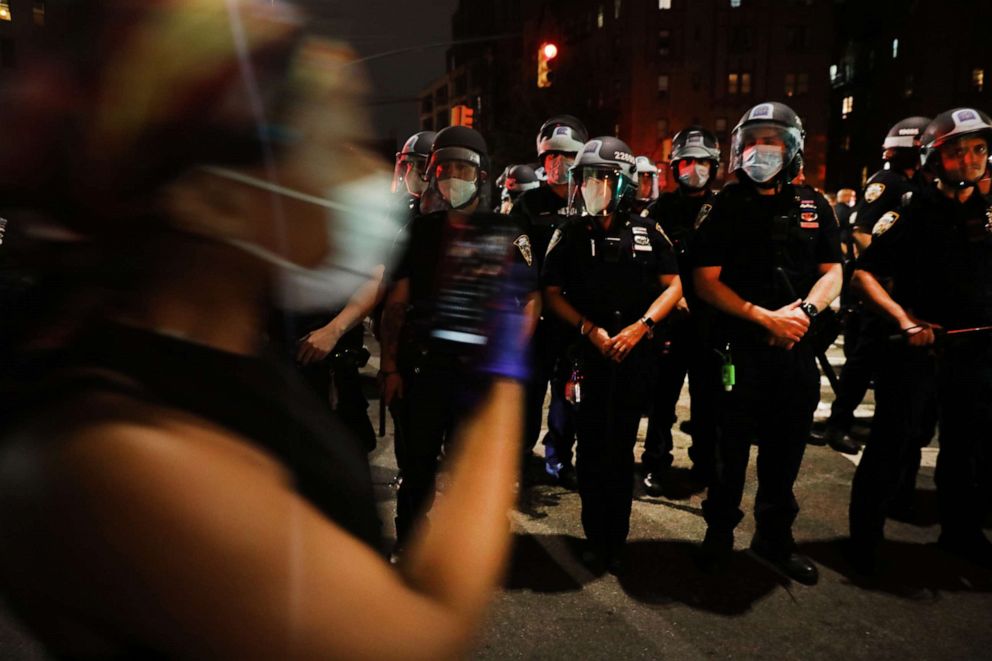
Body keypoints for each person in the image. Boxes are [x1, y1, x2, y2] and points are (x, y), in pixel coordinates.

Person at [0, 2, 525, 657]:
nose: (360, 174)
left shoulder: (222, 342)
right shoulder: (125, 455)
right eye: (328, 140)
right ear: (212, 197)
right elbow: (423, 634)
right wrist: (503, 381)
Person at [692, 102, 843, 585]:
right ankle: (719, 535)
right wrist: (762, 317)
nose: (761, 150)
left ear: (792, 149)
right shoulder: (722, 205)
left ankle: (774, 539)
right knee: (727, 452)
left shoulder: (813, 205)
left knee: (785, 451)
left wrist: (805, 313)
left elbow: (834, 271)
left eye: (772, 141)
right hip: (741, 348)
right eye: (754, 141)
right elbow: (705, 280)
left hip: (795, 349)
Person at [380, 125, 539, 549]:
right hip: (424, 368)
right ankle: (411, 539)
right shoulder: (417, 232)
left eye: (462, 168)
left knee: (473, 466)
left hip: (478, 373)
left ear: (480, 176)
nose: (453, 176)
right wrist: (390, 366)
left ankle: (466, 546)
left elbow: (527, 301)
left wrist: (506, 365)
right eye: (445, 167)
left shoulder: (506, 232)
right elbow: (396, 304)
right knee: (417, 465)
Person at [850, 107, 992, 572]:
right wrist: (904, 320)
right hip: (919, 350)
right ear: (935, 159)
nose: (970, 160)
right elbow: (864, 276)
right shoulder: (912, 210)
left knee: (966, 448)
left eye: (978, 149)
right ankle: (864, 542)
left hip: (975, 353)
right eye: (957, 152)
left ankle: (961, 533)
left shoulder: (989, 212)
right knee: (893, 444)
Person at [543, 136, 682, 571]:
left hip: (634, 356)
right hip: (588, 356)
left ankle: (616, 539)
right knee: (590, 449)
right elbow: (551, 293)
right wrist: (590, 330)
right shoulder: (568, 232)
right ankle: (593, 535)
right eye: (585, 178)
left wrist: (641, 329)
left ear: (622, 182)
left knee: (621, 449)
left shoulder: (646, 229)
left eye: (601, 177)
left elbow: (673, 286)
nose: (592, 186)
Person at [811, 116, 933, 456]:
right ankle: (839, 423)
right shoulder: (887, 182)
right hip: (879, 289)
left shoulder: (921, 185)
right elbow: (863, 232)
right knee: (862, 362)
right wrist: (884, 271)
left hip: (907, 292)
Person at [642, 126, 721, 494]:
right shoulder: (661, 209)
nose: (694, 168)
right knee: (662, 399)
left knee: (710, 400)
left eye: (702, 162)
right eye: (686, 161)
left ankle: (705, 463)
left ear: (714, 165)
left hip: (712, 322)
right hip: (672, 320)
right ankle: (656, 463)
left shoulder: (724, 208)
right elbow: (649, 266)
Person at [511, 114, 589, 487]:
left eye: (567, 156)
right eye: (550, 157)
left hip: (573, 318)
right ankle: (519, 455)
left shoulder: (590, 200)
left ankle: (559, 457)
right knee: (527, 394)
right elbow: (515, 256)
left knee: (567, 396)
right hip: (534, 315)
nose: (558, 164)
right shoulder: (528, 204)